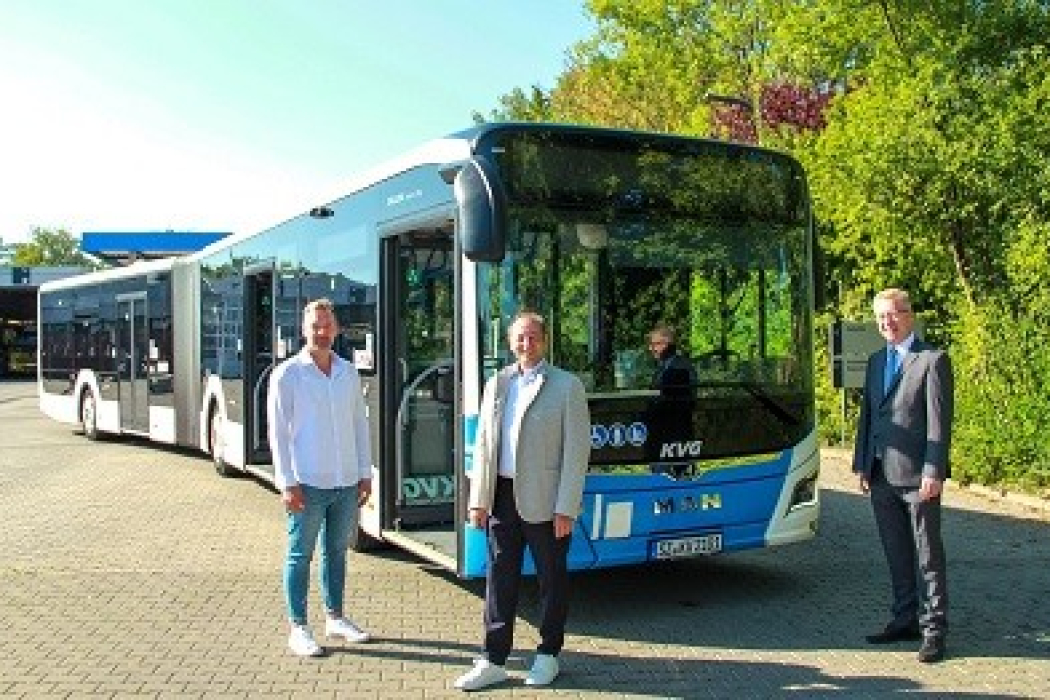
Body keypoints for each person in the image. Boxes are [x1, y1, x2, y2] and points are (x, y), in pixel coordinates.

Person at [454, 311, 591, 691]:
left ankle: (548, 655)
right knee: (499, 580)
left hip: (547, 503)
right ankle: (493, 659)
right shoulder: (497, 383)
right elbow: (483, 445)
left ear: (543, 341)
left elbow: (576, 452)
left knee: (552, 579)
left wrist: (567, 507)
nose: (525, 344)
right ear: (510, 342)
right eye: (519, 338)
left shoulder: (567, 386)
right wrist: (479, 500)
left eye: (532, 337)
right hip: (501, 497)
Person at [267, 298, 374, 657]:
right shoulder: (288, 375)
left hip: (345, 482)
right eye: (315, 325)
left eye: (327, 324)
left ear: (337, 328)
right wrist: (287, 482)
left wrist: (364, 472)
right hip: (307, 483)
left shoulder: (347, 372)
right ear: (303, 329)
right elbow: (278, 433)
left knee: (337, 553)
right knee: (300, 555)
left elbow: (359, 424)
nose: (322, 331)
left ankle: (336, 617)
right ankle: (298, 627)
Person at [852, 288, 954, 663]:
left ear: (909, 315)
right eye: (881, 317)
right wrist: (862, 463)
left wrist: (934, 470)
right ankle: (904, 619)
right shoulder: (877, 361)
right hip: (881, 474)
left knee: (928, 554)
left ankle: (934, 630)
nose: (887, 323)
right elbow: (868, 416)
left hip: (918, 477)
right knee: (896, 552)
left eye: (893, 315)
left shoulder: (932, 360)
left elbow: (939, 425)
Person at [647, 325, 696, 477]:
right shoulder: (664, 367)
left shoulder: (679, 368)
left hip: (673, 438)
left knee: (670, 484)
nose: (651, 348)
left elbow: (670, 402)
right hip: (666, 437)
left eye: (655, 344)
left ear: (667, 343)